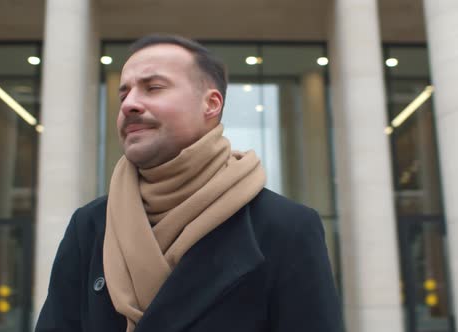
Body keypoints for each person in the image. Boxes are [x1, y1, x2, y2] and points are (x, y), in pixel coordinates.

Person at [35, 34, 343, 332]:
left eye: (153, 88)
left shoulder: (286, 227)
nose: (129, 104)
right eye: (124, 93)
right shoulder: (89, 226)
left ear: (211, 105)